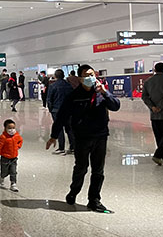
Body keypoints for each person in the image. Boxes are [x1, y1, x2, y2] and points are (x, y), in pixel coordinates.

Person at [47, 64, 120, 213]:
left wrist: (105, 92)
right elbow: (62, 116)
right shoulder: (73, 96)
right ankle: (74, 191)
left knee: (98, 170)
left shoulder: (101, 93)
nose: (90, 78)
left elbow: (115, 106)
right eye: (86, 75)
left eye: (92, 74)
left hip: (100, 136)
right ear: (80, 78)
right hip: (82, 137)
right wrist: (54, 136)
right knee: (81, 167)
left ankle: (94, 200)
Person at [142, 62, 163, 166]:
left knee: (159, 136)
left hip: (154, 114)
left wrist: (153, 107)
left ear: (154, 70)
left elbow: (144, 97)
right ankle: (158, 155)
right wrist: (160, 106)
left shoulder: (148, 81)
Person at [46, 69, 75, 155]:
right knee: (69, 129)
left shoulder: (52, 86)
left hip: (56, 110)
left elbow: (49, 99)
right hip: (68, 110)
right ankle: (73, 147)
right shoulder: (69, 85)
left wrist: (51, 109)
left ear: (55, 76)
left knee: (59, 129)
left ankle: (61, 148)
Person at [0, 119, 23, 192]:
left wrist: (18, 146)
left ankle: (13, 184)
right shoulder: (3, 137)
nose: (12, 130)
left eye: (13, 128)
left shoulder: (16, 135)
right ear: (5, 128)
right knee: (5, 171)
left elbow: (20, 140)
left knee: (13, 171)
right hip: (5, 158)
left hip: (14, 158)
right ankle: (2, 177)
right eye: (9, 128)